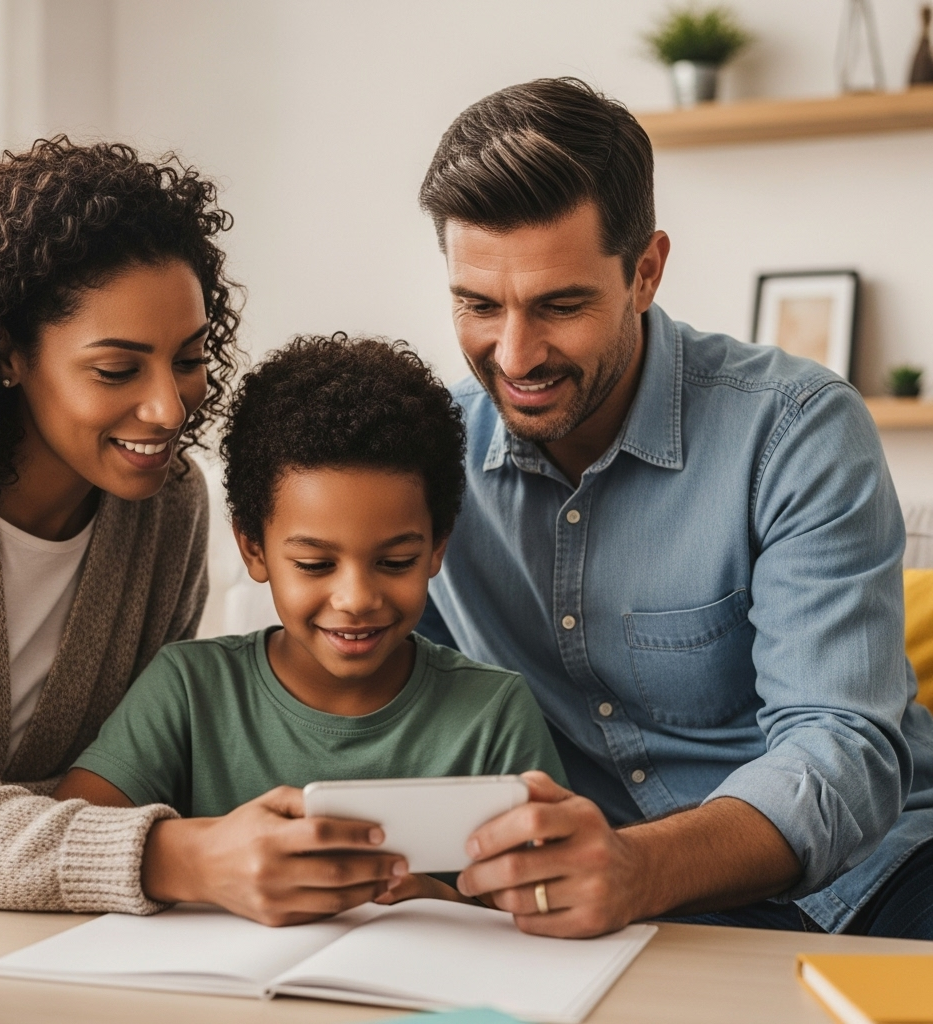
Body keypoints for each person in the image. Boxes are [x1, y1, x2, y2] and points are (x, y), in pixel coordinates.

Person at [415, 77, 933, 939]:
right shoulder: (428, 455)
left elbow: (841, 746)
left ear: (646, 272)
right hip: (591, 912)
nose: (514, 355)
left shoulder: (796, 430)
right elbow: (388, 704)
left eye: (560, 305)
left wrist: (636, 868)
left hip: (869, 880)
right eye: (478, 305)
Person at [54, 334, 567, 926]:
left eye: (395, 561)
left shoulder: (494, 715)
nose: (357, 599)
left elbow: (550, 898)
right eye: (316, 564)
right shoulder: (188, 691)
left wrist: (444, 903)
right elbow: (69, 838)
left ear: (436, 548)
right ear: (254, 548)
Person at [0, 138, 241, 914]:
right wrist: (173, 856)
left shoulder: (169, 510)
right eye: (117, 370)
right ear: (7, 353)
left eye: (189, 358)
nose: (169, 409)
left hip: (43, 930)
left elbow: (137, 769)